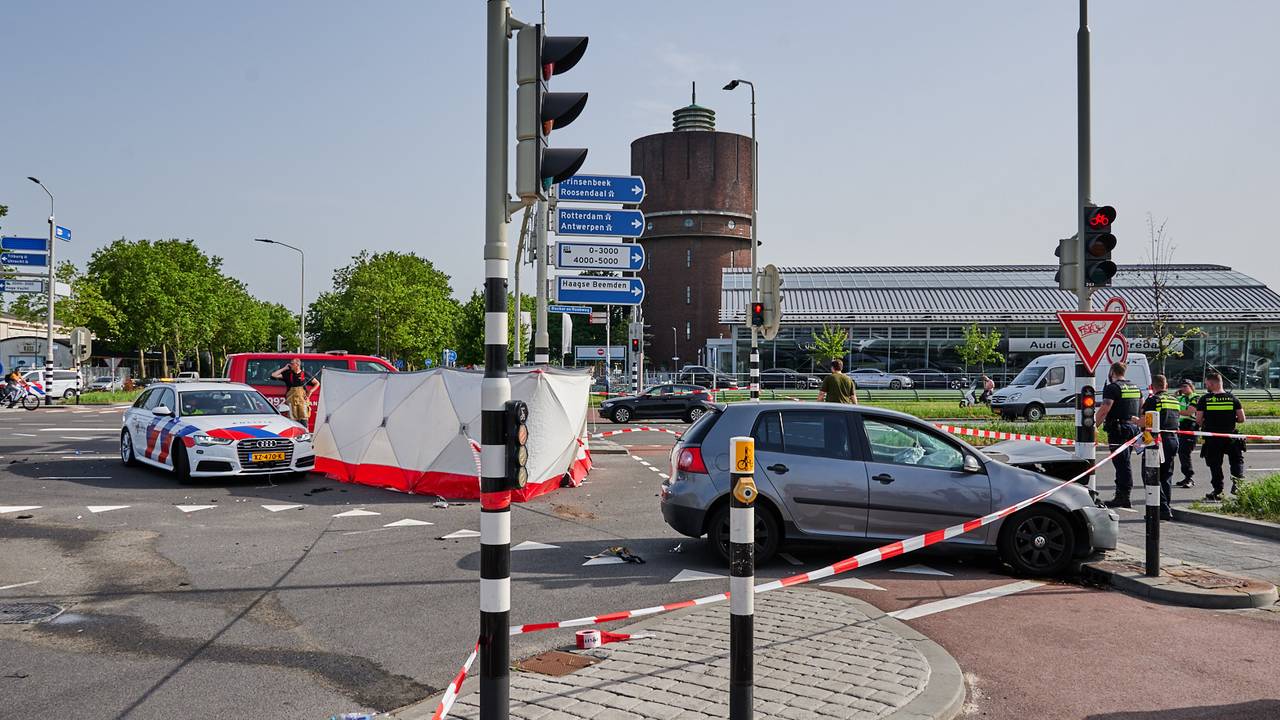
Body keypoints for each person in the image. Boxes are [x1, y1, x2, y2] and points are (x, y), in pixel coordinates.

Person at [1096, 361, 1143, 509]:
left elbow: (1105, 409)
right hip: (1132, 429)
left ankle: (1123, 496)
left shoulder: (1112, 388)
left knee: (1122, 463)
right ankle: (1122, 494)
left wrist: (1093, 426)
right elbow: (1141, 407)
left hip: (1118, 429)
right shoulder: (1135, 387)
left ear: (1112, 372)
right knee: (1124, 462)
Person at [1195, 370, 1246, 501]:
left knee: (1215, 464)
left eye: (1207, 384)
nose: (1206, 386)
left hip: (1213, 438)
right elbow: (1241, 419)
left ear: (1212, 384)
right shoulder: (1233, 398)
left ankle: (1218, 491)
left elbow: (1198, 420)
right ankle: (1237, 486)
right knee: (1236, 461)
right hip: (1231, 437)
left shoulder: (1205, 399)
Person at [1142, 375, 1181, 521]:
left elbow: (1145, 421)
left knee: (1151, 476)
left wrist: (1134, 420)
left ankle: (1161, 509)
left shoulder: (1153, 400)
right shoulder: (1174, 400)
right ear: (1166, 385)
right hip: (1173, 440)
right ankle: (1166, 507)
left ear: (1153, 386)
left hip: (1156, 441)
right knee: (1166, 476)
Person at [270, 358, 320, 423]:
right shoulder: (288, 374)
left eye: (292, 364)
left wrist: (310, 392)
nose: (290, 365)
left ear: (297, 365)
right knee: (292, 421)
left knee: (304, 420)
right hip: (291, 403)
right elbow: (273, 375)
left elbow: (317, 383)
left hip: (303, 403)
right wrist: (285, 368)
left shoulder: (305, 374)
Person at [1175, 378, 1200, 488]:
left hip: (1191, 426)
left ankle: (1189, 477)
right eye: (1181, 386)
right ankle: (1187, 477)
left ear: (1191, 387)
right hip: (1182, 426)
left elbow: (1190, 411)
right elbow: (1174, 400)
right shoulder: (1182, 397)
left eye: (1185, 386)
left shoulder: (1195, 397)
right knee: (1181, 452)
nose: (1183, 388)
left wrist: (1174, 411)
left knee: (1185, 452)